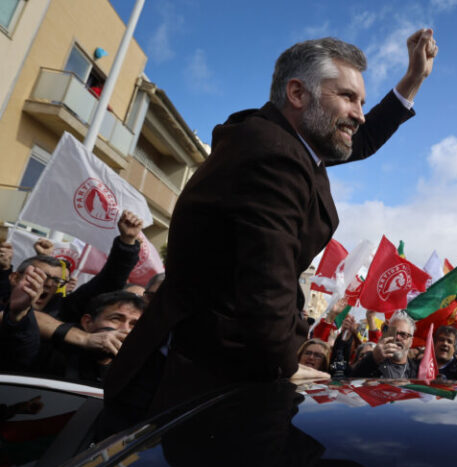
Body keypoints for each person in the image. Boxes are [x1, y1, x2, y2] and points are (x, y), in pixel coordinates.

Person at [103, 31, 438, 428]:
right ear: (297, 93)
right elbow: (267, 276)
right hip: (181, 391)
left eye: (361, 102)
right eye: (348, 97)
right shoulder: (272, 154)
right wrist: (283, 366)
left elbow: (358, 140)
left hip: (194, 377)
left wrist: (413, 79)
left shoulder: (283, 142)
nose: (360, 113)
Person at [350, 310, 419, 379]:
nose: (397, 337)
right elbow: (351, 378)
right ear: (388, 334)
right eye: (394, 332)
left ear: (411, 341)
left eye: (403, 334)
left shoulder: (417, 371)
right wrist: (373, 358)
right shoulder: (373, 362)